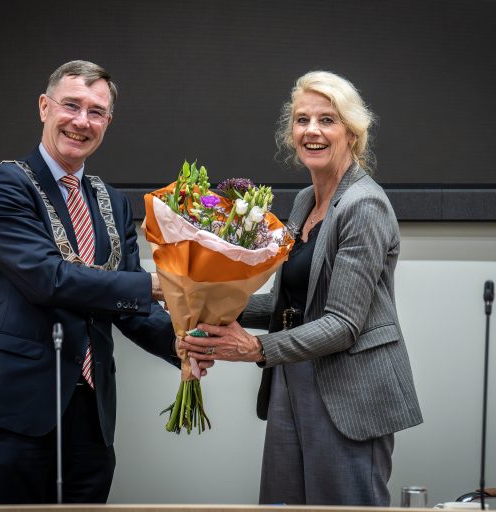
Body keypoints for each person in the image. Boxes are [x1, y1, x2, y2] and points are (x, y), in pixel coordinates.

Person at [0, 60, 210, 504]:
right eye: (72, 106)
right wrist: (154, 286)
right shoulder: (3, 185)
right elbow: (48, 280)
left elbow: (126, 307)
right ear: (44, 107)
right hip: (16, 407)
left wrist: (182, 342)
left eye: (96, 112)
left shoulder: (114, 201)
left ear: (108, 122)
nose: (81, 121)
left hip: (92, 412)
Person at [180, 71, 423, 506]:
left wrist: (255, 349)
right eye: (302, 119)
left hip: (348, 392)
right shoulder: (303, 201)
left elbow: (344, 324)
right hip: (293, 379)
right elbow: (288, 302)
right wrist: (206, 303)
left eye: (326, 120)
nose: (311, 130)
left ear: (352, 132)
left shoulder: (364, 205)